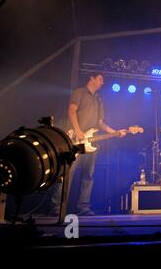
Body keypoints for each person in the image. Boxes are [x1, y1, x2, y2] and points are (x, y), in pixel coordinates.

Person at [50, 74, 126, 216]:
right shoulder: (79, 93)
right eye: (100, 79)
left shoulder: (99, 100)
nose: (103, 82)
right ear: (92, 78)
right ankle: (57, 207)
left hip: (90, 142)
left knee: (88, 175)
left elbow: (100, 123)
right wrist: (78, 132)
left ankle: (83, 207)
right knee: (68, 173)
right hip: (75, 140)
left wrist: (116, 132)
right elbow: (71, 111)